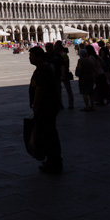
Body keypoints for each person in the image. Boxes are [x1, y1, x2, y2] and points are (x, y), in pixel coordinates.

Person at [27, 46, 63, 174]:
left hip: (45, 107)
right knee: (50, 133)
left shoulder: (42, 70)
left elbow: (40, 89)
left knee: (49, 134)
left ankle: (54, 162)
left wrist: (36, 106)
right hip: (49, 106)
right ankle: (52, 160)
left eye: (31, 56)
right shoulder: (46, 68)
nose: (29, 59)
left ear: (38, 56)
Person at [74, 45, 97, 111]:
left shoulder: (80, 60)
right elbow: (94, 69)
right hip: (90, 77)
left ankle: (87, 106)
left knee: (84, 93)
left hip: (83, 77)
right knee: (91, 92)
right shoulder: (89, 60)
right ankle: (92, 106)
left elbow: (79, 68)